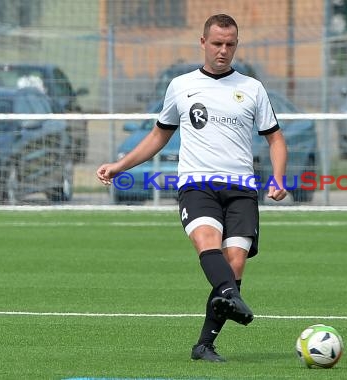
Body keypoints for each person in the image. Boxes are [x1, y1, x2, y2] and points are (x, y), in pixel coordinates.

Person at [96, 14, 288, 362]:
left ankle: (204, 344)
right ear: (203, 43)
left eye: (230, 44)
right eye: (217, 43)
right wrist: (119, 164)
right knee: (206, 242)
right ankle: (233, 297)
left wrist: (278, 177)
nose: (223, 51)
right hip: (196, 185)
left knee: (235, 264)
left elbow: (275, 139)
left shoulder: (253, 88)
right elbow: (158, 134)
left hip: (242, 188)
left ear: (236, 45)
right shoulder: (181, 86)